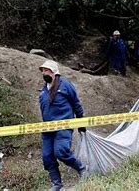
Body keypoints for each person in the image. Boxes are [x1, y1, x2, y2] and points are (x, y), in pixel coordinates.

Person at [38, 60, 86, 191]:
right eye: (42, 71)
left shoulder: (65, 85)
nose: (44, 73)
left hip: (63, 126)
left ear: (54, 72)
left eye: (46, 70)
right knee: (47, 157)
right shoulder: (43, 90)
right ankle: (57, 184)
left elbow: (76, 104)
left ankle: (82, 169)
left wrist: (81, 122)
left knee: (61, 151)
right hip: (47, 129)